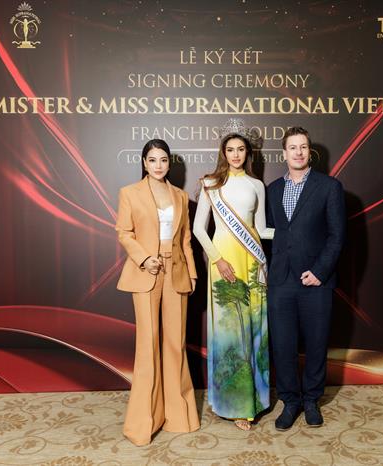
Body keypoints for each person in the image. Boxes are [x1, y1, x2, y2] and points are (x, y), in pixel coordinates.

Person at [116, 139, 200, 446]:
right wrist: (143, 258)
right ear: (144, 163)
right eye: (152, 160)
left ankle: (179, 416)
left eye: (163, 159)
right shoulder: (129, 193)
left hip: (176, 272)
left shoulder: (181, 196)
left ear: (169, 163)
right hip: (146, 272)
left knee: (176, 344)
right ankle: (143, 423)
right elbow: (124, 232)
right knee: (148, 345)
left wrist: (192, 273)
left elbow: (186, 239)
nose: (158, 165)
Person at [193, 122, 274, 431]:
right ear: (223, 152)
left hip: (252, 262)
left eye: (241, 149)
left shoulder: (256, 185)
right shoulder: (211, 183)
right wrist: (218, 260)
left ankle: (255, 399)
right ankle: (233, 403)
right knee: (229, 332)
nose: (236, 154)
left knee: (254, 328)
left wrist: (293, 233)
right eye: (230, 150)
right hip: (223, 262)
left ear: (247, 152)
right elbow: (199, 229)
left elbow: (262, 229)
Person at [266, 126, 346, 430]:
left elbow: (337, 236)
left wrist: (320, 272)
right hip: (281, 280)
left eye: (303, 147)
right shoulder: (273, 189)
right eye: (292, 147)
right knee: (283, 345)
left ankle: (312, 400)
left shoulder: (329, 187)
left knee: (316, 343)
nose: (298, 152)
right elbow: (270, 234)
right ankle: (290, 401)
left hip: (315, 281)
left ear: (309, 152)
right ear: (284, 153)